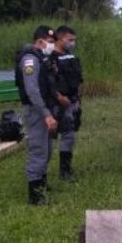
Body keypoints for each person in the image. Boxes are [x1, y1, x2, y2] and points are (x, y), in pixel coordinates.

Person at [15, 25, 58, 205]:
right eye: (49, 42)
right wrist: (46, 114)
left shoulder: (42, 58)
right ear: (39, 41)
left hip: (44, 108)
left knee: (47, 149)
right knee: (38, 150)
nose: (52, 45)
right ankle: (35, 195)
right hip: (36, 110)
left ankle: (42, 182)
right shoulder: (30, 60)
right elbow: (32, 90)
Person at [49, 25, 83, 180]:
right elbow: (46, 83)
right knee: (51, 136)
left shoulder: (71, 57)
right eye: (70, 40)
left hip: (73, 101)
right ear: (60, 39)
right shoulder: (50, 58)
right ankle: (41, 171)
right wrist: (58, 97)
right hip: (58, 103)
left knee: (69, 135)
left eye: (74, 40)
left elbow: (78, 79)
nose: (72, 43)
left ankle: (65, 170)